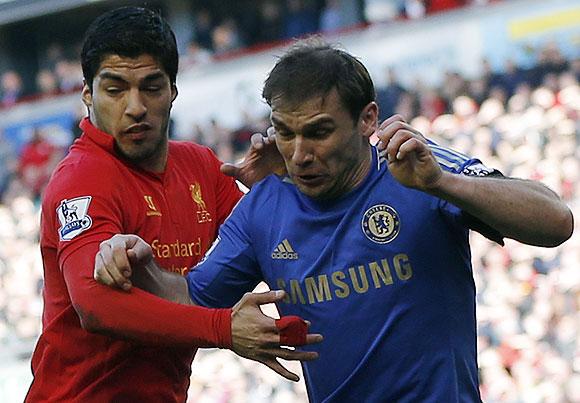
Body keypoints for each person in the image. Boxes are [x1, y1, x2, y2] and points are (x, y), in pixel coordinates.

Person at [95, 41, 574, 401]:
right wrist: (141, 266)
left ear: (367, 120)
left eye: (318, 132)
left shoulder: (415, 169)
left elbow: (555, 222)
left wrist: (444, 185)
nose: (299, 154)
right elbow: (196, 299)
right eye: (285, 133)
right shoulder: (264, 208)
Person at [26, 8, 321, 403]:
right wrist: (223, 329)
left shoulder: (199, 166)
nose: (135, 106)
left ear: (173, 91)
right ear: (87, 96)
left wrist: (275, 191)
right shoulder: (81, 179)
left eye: (151, 87)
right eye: (115, 89)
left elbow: (268, 249)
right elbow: (96, 306)